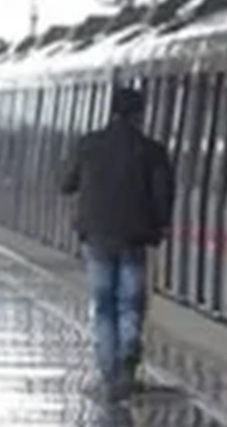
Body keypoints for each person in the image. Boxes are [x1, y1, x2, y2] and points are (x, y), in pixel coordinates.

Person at [60, 88, 173, 398]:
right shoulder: (152, 151)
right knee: (130, 302)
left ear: (111, 112)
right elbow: (163, 196)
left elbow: (66, 183)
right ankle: (128, 362)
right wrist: (159, 227)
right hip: (135, 236)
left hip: (97, 235)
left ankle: (109, 373)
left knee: (103, 303)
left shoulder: (89, 144)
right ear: (139, 115)